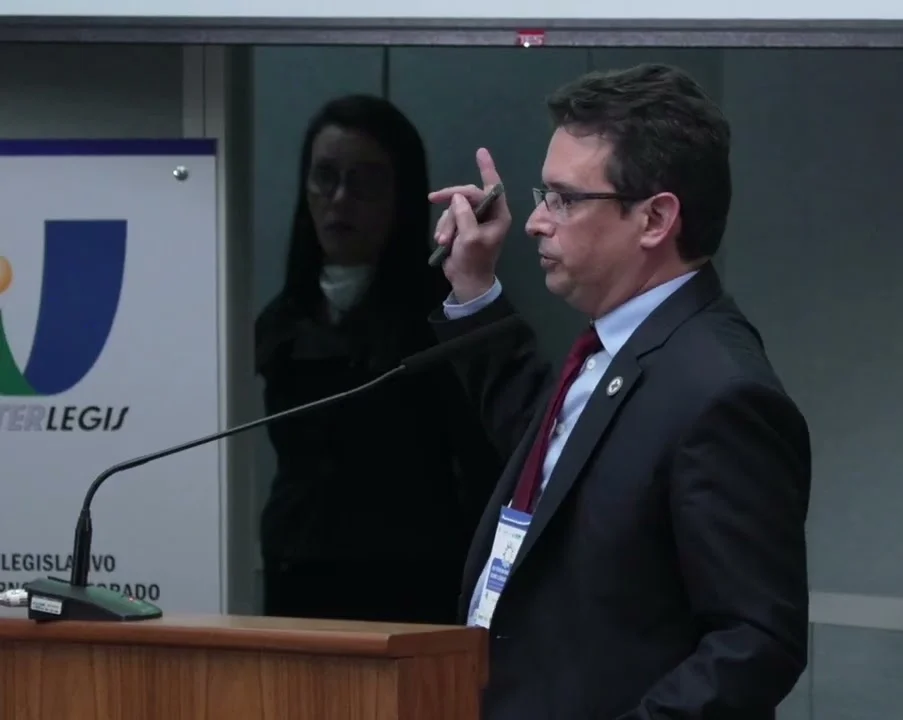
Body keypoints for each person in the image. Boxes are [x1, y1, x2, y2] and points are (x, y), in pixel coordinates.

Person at [428, 64, 811, 718]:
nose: (535, 223)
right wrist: (474, 287)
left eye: (564, 199)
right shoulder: (619, 346)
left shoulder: (722, 393)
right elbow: (557, 466)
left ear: (655, 218)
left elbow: (754, 641)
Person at [254, 94, 503, 624]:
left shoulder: (444, 316)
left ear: (400, 197)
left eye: (364, 182)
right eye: (325, 177)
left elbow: (482, 469)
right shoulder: (280, 320)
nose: (340, 199)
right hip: (296, 577)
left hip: (411, 588)